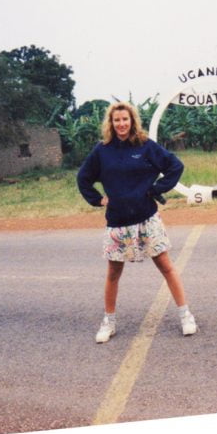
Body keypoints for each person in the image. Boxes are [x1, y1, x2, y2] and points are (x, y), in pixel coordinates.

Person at [76, 101, 197, 343]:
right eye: (116, 120)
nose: (121, 124)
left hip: (147, 219)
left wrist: (155, 190)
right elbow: (83, 177)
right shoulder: (102, 150)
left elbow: (175, 166)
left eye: (125, 119)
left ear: (132, 121)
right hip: (118, 222)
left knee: (166, 266)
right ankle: (108, 322)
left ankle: (186, 315)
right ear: (111, 123)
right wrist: (98, 200)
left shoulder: (145, 146)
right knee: (113, 273)